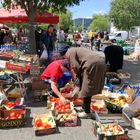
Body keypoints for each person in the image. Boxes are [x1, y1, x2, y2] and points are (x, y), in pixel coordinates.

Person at [59, 46, 106, 118]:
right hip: (101, 62)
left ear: (64, 55)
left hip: (92, 64)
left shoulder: (69, 53)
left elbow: (75, 67)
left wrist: (77, 83)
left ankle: (87, 113)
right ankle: (85, 108)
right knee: (89, 86)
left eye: (64, 57)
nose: (66, 59)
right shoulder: (76, 49)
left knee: (86, 88)